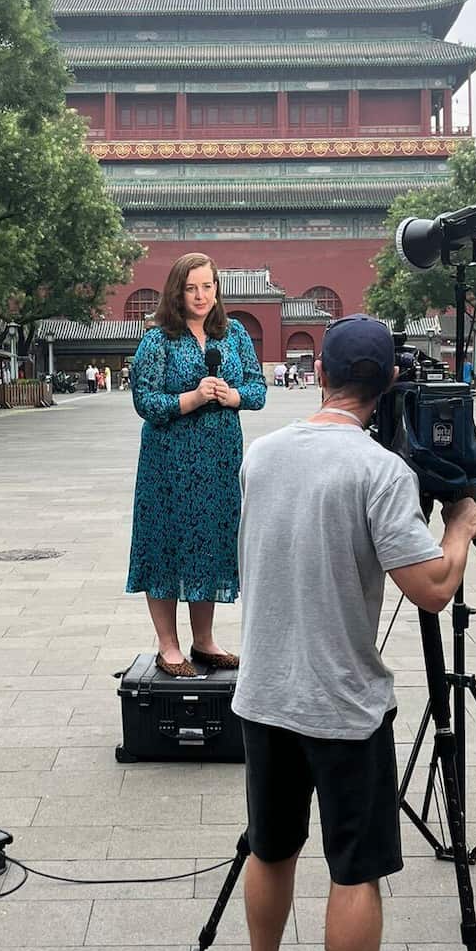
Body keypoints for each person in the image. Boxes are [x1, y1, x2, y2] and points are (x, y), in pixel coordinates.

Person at [232, 315, 476, 951]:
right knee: (355, 872)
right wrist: (461, 526)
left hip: (264, 692)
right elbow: (432, 590)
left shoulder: (261, 453)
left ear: (319, 376)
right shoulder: (380, 471)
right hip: (341, 706)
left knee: (271, 847)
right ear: (388, 390)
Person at [126, 252, 266, 675]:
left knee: (210, 543)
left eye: (207, 286)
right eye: (191, 288)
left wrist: (232, 396)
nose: (201, 295)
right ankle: (169, 647)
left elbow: (258, 389)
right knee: (165, 545)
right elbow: (144, 400)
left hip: (220, 463)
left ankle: (204, 641)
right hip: (168, 464)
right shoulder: (157, 339)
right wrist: (193, 398)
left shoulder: (235, 334)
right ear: (177, 291)